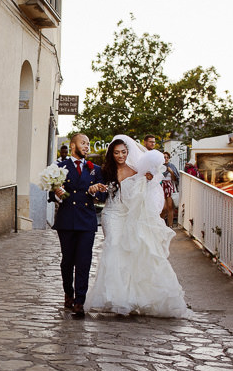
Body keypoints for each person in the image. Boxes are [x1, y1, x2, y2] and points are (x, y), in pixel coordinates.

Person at [85, 135, 191, 318]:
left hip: (128, 215)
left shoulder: (136, 171)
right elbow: (95, 189)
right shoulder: (105, 171)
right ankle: (113, 296)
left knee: (128, 252)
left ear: (128, 152)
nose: (120, 156)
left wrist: (148, 180)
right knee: (112, 247)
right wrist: (95, 188)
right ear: (112, 153)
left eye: (123, 152)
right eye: (117, 152)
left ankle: (128, 296)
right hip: (111, 214)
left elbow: (146, 193)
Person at [51, 133, 106, 317]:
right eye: (83, 143)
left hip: (86, 221)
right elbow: (51, 195)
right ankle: (68, 292)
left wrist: (94, 192)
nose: (87, 147)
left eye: (88, 144)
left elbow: (103, 195)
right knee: (67, 262)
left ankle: (79, 301)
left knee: (83, 262)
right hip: (66, 221)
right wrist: (58, 194)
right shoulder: (60, 167)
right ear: (72, 146)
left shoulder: (95, 170)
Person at [160, 151, 180, 227]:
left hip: (169, 186)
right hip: (161, 186)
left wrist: (171, 172)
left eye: (167, 157)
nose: (166, 159)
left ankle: (170, 225)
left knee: (170, 207)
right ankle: (160, 224)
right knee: (163, 208)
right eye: (164, 157)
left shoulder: (171, 166)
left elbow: (175, 179)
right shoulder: (159, 166)